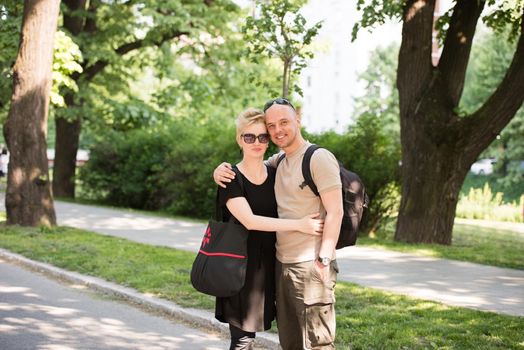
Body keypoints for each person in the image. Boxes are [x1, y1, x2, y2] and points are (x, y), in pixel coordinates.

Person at [214, 98, 343, 349]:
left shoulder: (318, 158)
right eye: (270, 126)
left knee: (317, 344)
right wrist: (219, 171)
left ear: (298, 120)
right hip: (279, 266)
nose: (275, 131)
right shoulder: (279, 162)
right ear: (240, 138)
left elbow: (335, 211)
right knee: (291, 343)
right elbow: (250, 176)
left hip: (311, 265)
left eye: (283, 122)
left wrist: (325, 259)